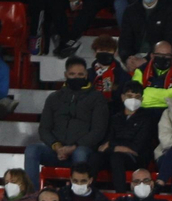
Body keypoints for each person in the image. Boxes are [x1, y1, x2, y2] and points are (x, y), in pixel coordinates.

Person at [26, 57, 110, 185]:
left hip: (82, 148)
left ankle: (78, 194)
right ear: (66, 75)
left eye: (80, 74)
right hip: (56, 151)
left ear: (86, 75)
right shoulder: (54, 98)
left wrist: (74, 147)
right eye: (72, 74)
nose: (76, 77)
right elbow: (44, 128)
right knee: (32, 150)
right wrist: (57, 146)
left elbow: (98, 130)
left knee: (80, 153)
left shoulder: (97, 98)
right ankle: (32, 196)